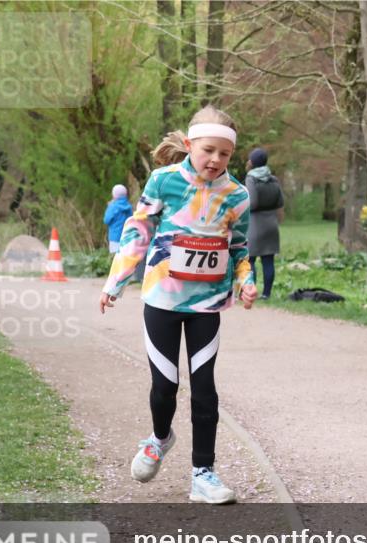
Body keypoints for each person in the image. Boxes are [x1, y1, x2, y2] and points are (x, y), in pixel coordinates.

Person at [99, 105, 258, 504]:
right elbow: (138, 231)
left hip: (207, 303)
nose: (216, 160)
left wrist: (246, 282)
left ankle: (203, 473)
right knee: (164, 386)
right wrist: (116, 282)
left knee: (205, 389)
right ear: (189, 145)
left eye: (224, 154)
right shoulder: (163, 181)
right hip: (162, 300)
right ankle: (159, 437)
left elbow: (239, 248)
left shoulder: (237, 194)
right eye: (208, 150)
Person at [244, 148, 284, 300]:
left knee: (250, 259)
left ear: (253, 162)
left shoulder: (251, 179)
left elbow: (252, 202)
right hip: (271, 223)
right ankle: (266, 293)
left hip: (255, 223)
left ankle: (251, 291)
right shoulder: (273, 179)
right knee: (268, 260)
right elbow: (280, 201)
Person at [103, 184, 133, 254]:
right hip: (127, 237)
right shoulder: (129, 207)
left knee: (115, 260)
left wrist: (109, 207)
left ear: (114, 195)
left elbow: (106, 220)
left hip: (115, 238)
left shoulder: (113, 207)